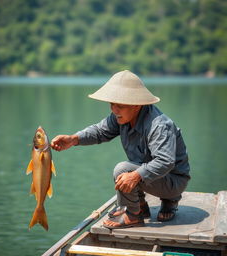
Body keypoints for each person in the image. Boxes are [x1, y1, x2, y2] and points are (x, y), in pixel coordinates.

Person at [51, 70, 190, 229]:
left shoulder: (158, 125)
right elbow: (100, 131)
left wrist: (136, 175)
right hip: (151, 178)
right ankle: (139, 206)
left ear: (136, 105)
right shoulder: (122, 116)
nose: (114, 110)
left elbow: (165, 162)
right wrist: (73, 139)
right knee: (129, 170)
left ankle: (135, 214)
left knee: (123, 169)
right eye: (112, 104)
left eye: (120, 106)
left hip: (173, 182)